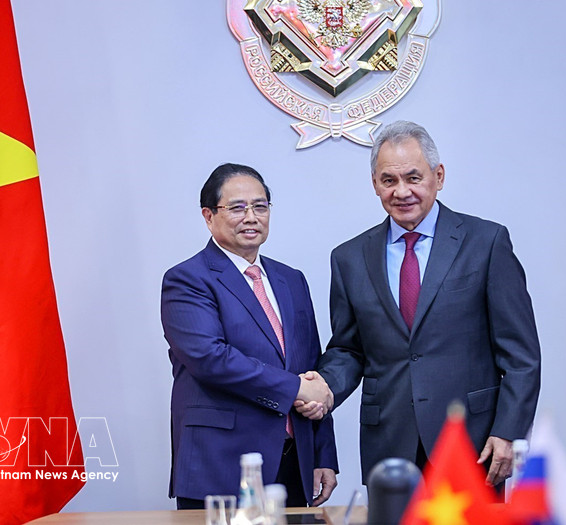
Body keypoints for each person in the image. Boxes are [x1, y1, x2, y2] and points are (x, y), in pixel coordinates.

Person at [299, 121, 541, 487]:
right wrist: (325, 388)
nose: (402, 191)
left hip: (473, 443)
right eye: (389, 180)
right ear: (375, 184)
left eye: (414, 177)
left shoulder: (486, 242)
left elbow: (521, 355)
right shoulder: (349, 257)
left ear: (438, 176)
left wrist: (509, 431)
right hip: (390, 444)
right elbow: (349, 349)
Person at [161, 163, 338, 509]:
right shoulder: (187, 280)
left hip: (293, 463)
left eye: (260, 206)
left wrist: (324, 454)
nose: (251, 217)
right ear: (208, 215)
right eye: (237, 207)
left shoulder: (292, 280)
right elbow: (212, 359)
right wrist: (296, 389)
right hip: (223, 465)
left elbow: (311, 368)